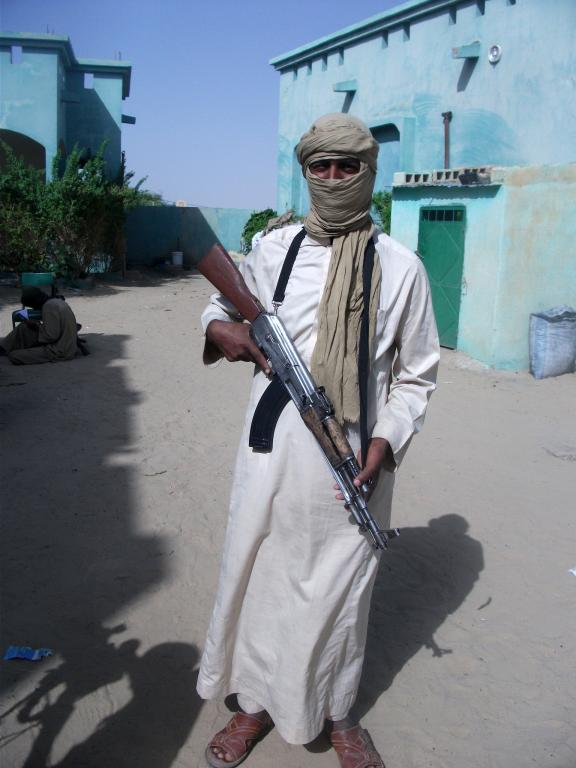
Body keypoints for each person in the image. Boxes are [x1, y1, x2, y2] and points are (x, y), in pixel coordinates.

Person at [197, 113, 440, 768]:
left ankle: (336, 714)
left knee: (343, 597)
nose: (333, 178)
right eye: (320, 166)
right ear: (305, 171)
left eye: (347, 166)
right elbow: (222, 308)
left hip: (353, 464)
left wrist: (384, 443)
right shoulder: (274, 249)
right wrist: (224, 332)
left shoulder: (401, 267)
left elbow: (416, 376)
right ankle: (253, 706)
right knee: (264, 575)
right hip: (271, 453)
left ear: (368, 171)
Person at [0, 287, 79, 365]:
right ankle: (3, 348)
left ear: (35, 302)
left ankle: (10, 349)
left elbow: (51, 336)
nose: (34, 308)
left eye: (32, 306)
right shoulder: (56, 302)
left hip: (60, 350)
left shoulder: (49, 307)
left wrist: (36, 325)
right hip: (64, 342)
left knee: (14, 355)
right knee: (23, 327)